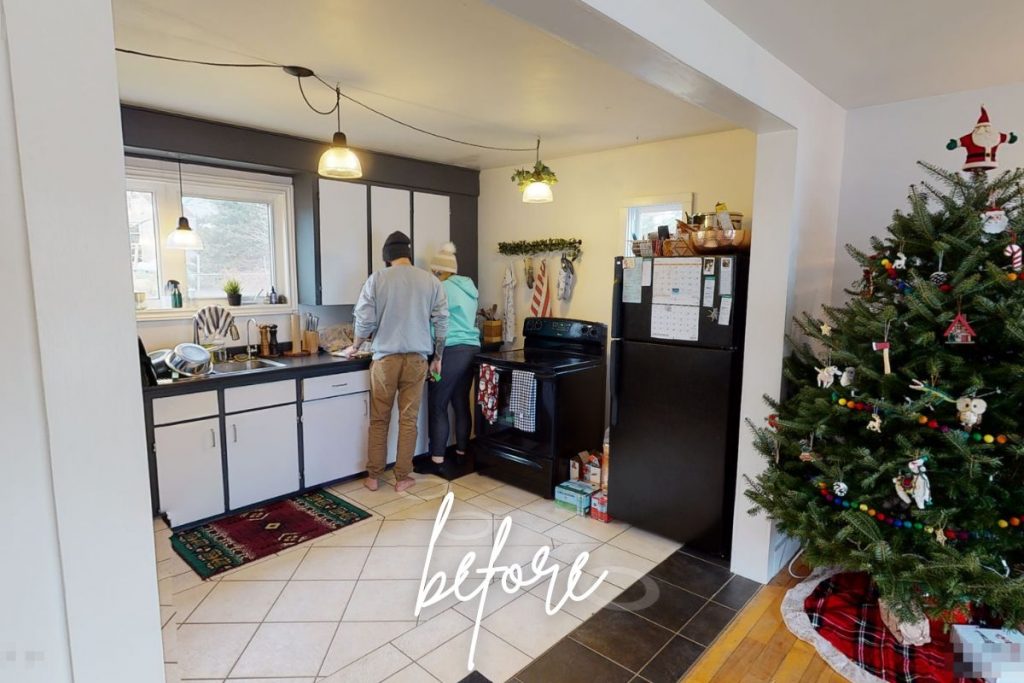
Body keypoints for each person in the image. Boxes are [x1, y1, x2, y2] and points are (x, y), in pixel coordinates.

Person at [341, 231, 448, 492]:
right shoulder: (430, 281)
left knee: (379, 419)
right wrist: (438, 357)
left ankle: (374, 477)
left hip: (385, 361)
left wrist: (355, 347)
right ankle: (402, 478)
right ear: (408, 254)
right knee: (408, 420)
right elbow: (441, 323)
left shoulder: (377, 279)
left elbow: (365, 320)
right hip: (416, 360)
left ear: (387, 257)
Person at [425, 242, 480, 472]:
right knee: (460, 402)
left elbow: (435, 321)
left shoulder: (442, 288)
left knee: (438, 404)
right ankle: (461, 453)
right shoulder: (468, 288)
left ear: (439, 271)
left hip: (450, 351)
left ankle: (437, 462)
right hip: (471, 348)